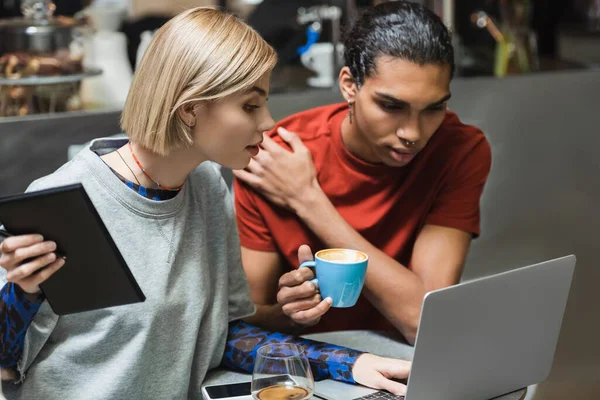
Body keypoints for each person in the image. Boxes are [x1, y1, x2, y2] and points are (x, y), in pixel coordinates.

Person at [0, 7, 410, 399]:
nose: (268, 121)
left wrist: (348, 363)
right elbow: (4, 365)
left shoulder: (207, 185)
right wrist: (24, 293)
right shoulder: (68, 202)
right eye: (251, 105)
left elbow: (223, 334)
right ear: (191, 110)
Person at [234, 1, 492, 344]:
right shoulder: (273, 158)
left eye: (434, 108)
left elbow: (425, 322)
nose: (413, 134)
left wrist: (308, 200)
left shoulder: (460, 150)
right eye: (391, 106)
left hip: (403, 362)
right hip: (310, 360)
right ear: (349, 86)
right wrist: (291, 315)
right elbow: (245, 319)